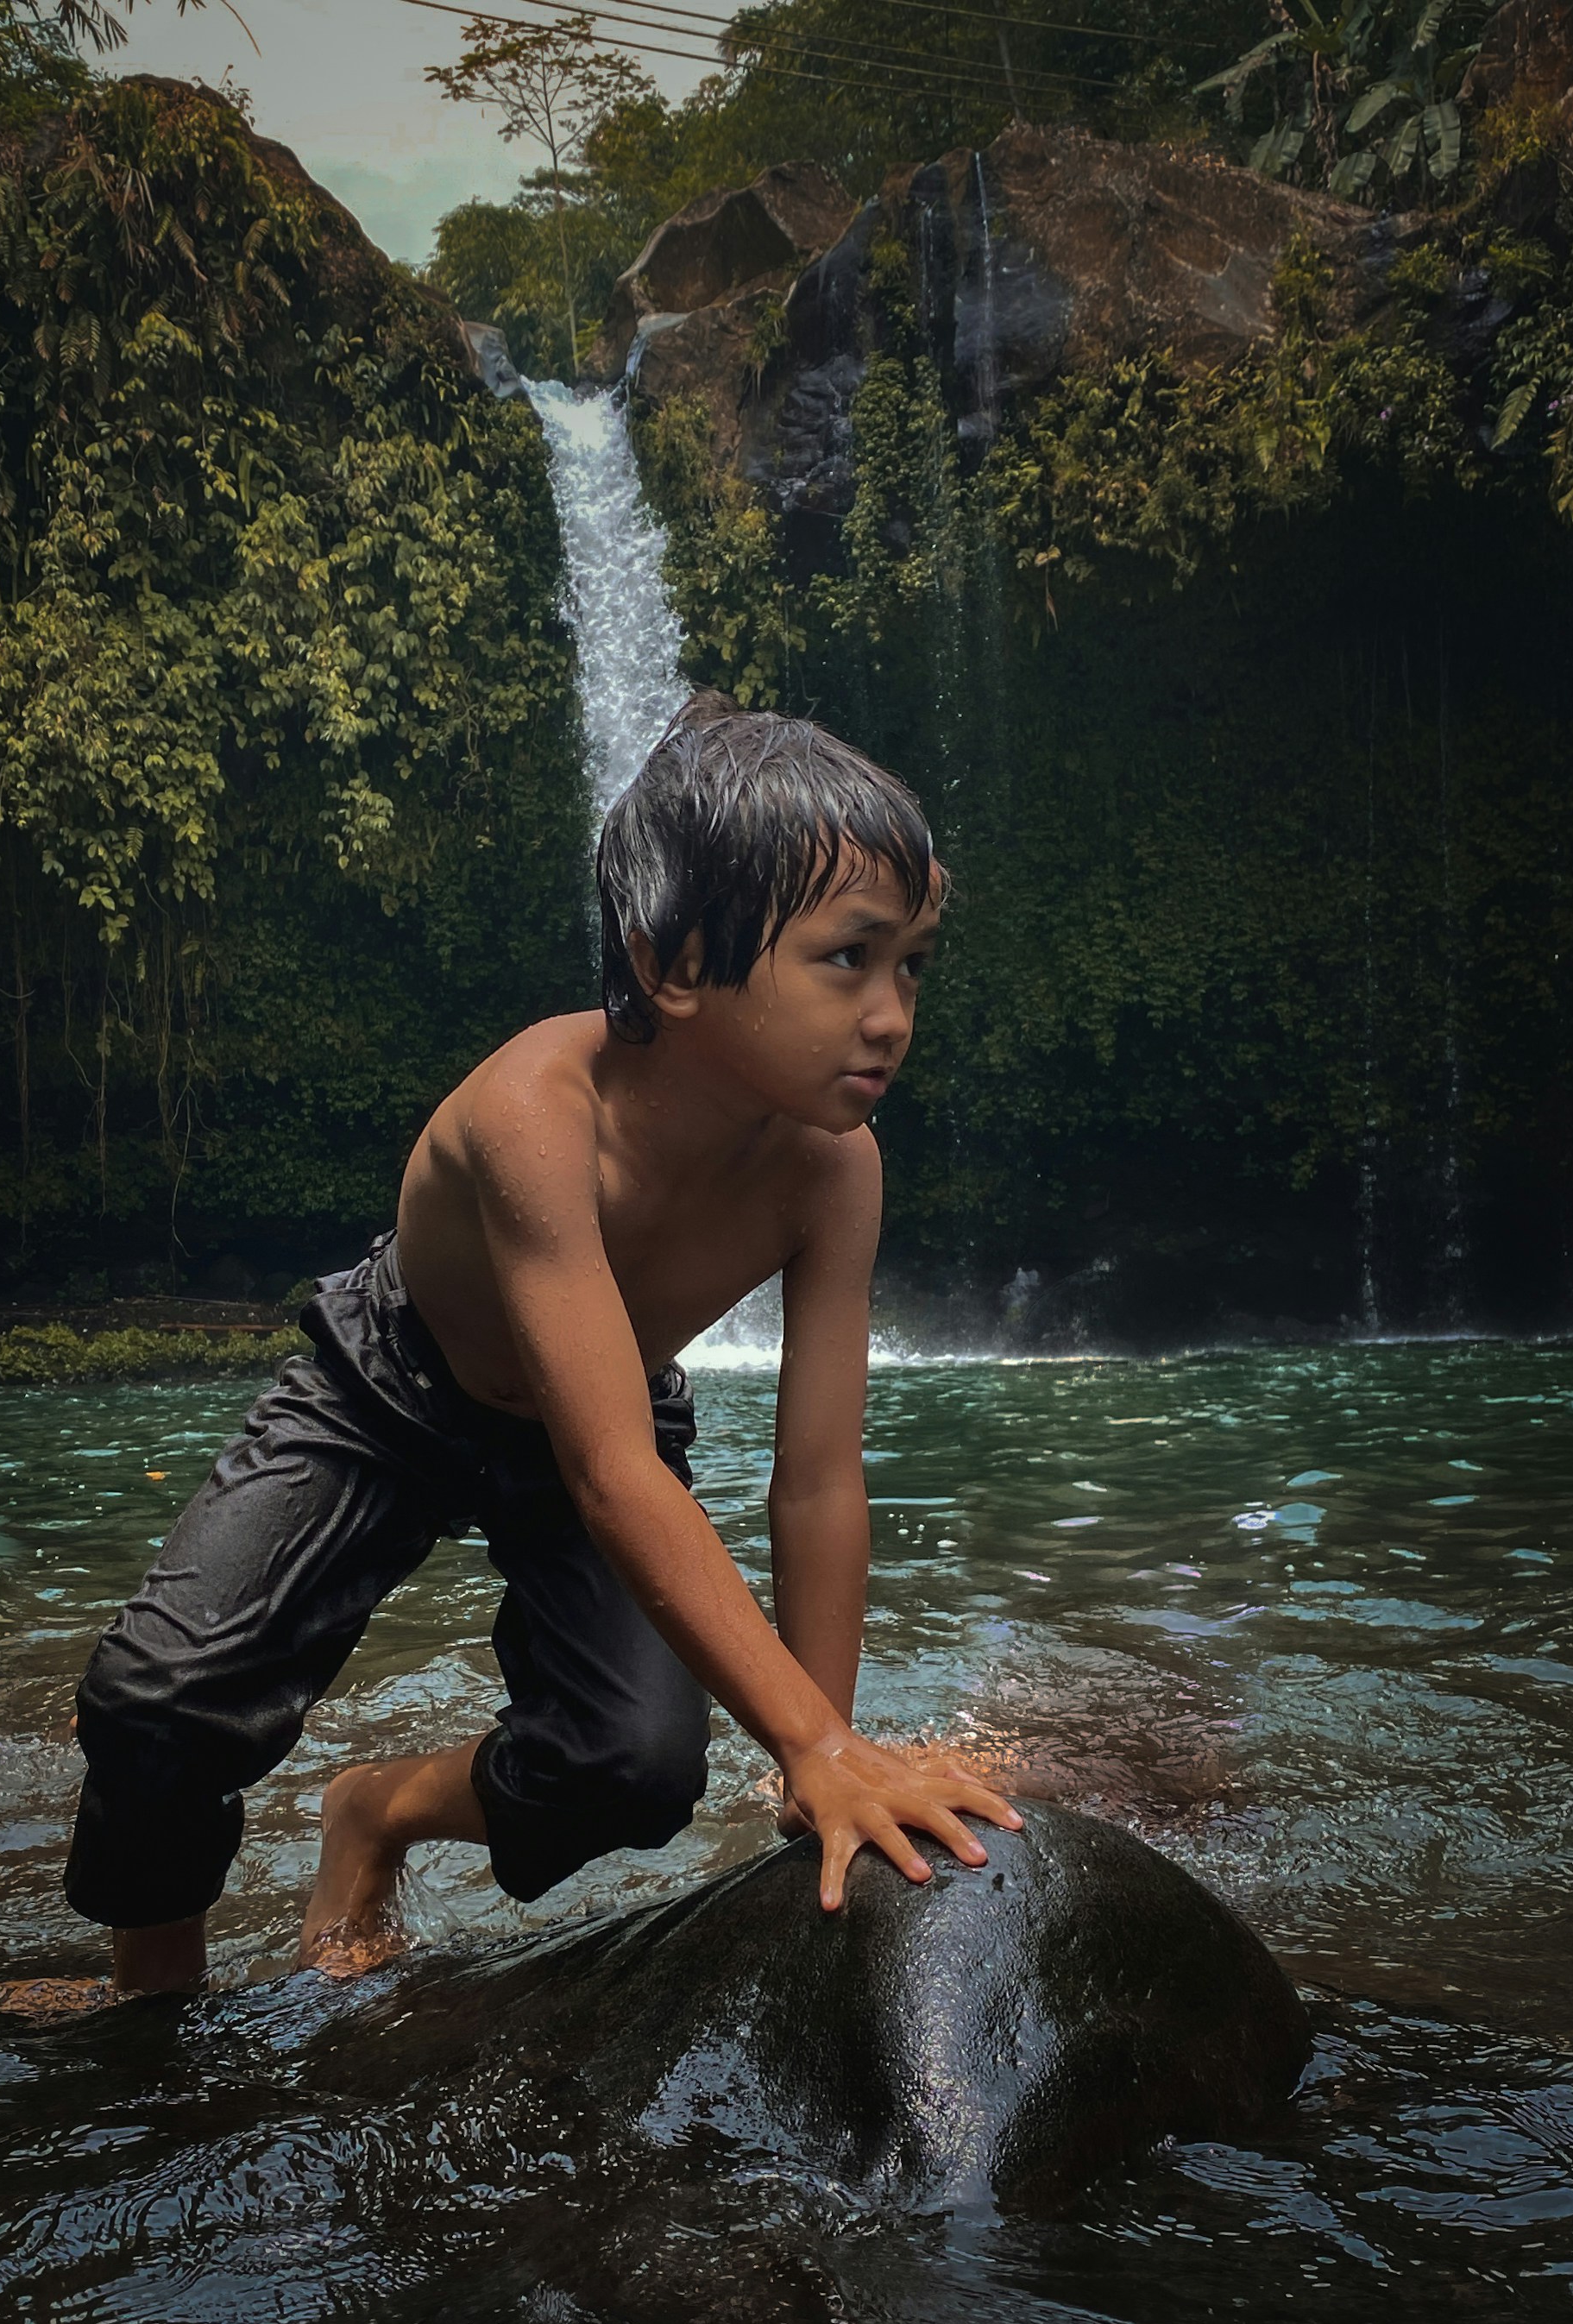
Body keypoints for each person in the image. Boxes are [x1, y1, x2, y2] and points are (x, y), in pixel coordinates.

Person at [65, 695, 1022, 1994]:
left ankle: (378, 1811)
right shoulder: (535, 1112)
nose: (892, 1012)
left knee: (633, 1766)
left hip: (604, 1408)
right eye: (848, 958)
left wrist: (822, 1750)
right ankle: (149, 1995)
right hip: (387, 1392)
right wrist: (809, 1739)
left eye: (912, 962)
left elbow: (817, 1480)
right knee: (156, 1703)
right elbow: (613, 1477)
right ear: (677, 963)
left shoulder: (834, 1172)